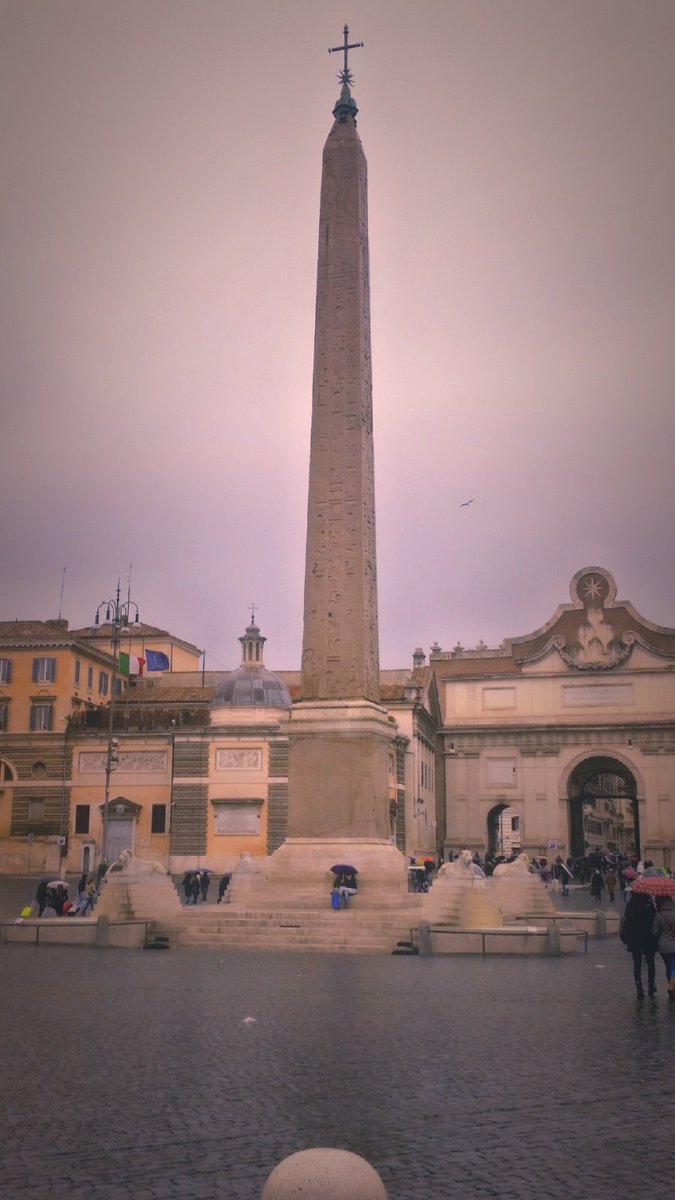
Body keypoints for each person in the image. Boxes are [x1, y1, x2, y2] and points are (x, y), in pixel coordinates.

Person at [620, 892, 657, 999]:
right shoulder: (649, 904)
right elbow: (654, 919)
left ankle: (639, 988)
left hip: (635, 938)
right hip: (649, 938)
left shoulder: (631, 904)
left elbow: (627, 920)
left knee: (637, 963)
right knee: (650, 962)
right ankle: (651, 986)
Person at [652, 895, 675, 1000]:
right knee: (673, 967)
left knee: (668, 967)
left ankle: (671, 985)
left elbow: (654, 932)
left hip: (663, 947)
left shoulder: (658, 915)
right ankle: (672, 988)